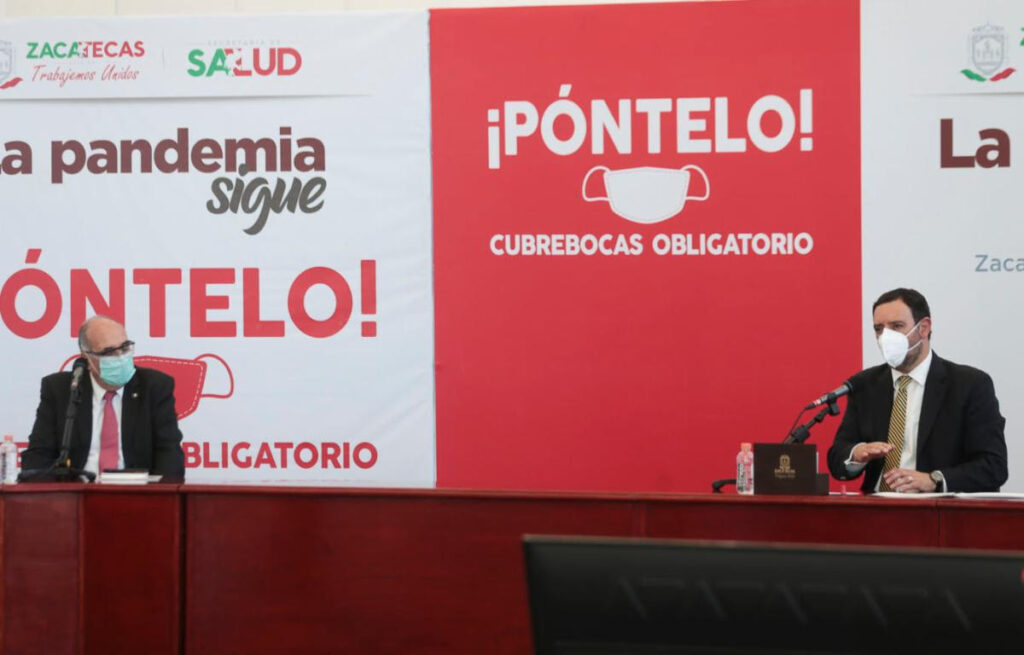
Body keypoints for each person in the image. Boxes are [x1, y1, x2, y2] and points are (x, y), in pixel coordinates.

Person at [827, 288, 1007, 493]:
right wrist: (856, 454)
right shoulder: (864, 384)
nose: (886, 337)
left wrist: (933, 480)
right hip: (876, 505)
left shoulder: (969, 384)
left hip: (937, 508)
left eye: (897, 326)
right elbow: (837, 459)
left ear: (924, 328)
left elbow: (993, 466)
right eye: (879, 329)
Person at [22, 315, 185, 481]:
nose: (120, 357)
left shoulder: (154, 387)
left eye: (125, 348)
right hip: (78, 492)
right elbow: (37, 457)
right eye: (109, 352)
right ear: (86, 357)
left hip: (136, 492)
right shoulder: (61, 390)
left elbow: (170, 456)